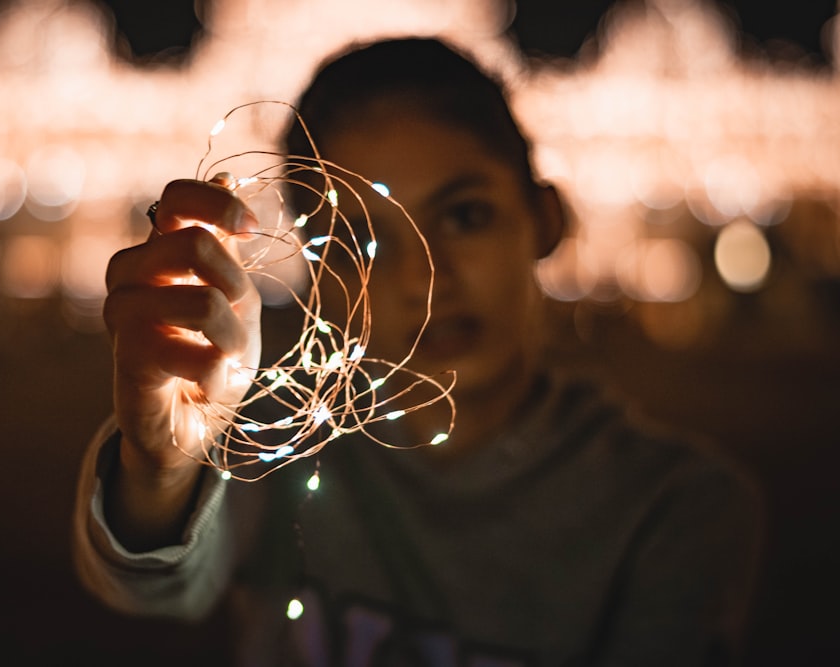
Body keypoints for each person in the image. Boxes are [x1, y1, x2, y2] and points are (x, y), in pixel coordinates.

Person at [73, 38, 762, 666]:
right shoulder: (274, 453)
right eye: (358, 241)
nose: (423, 278)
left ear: (546, 219)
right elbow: (158, 587)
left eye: (464, 216)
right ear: (312, 270)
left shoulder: (671, 507)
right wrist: (162, 469)